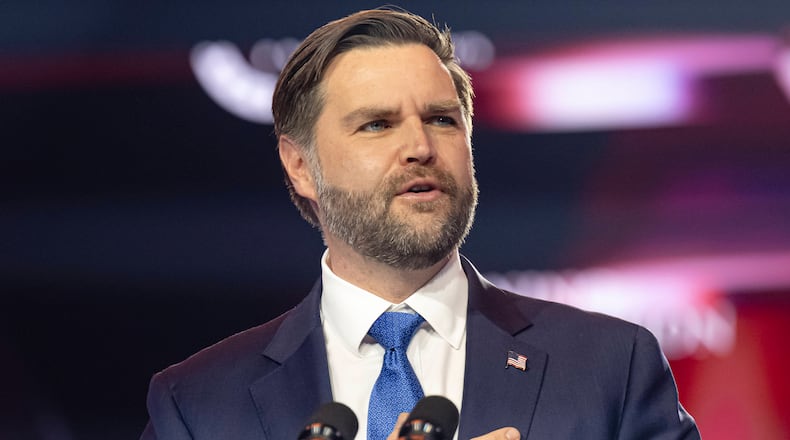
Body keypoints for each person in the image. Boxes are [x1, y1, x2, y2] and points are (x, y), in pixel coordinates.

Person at [141, 8, 700, 440]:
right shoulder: (200, 406)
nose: (420, 147)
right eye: (378, 125)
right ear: (300, 166)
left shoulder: (609, 367)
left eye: (440, 119)